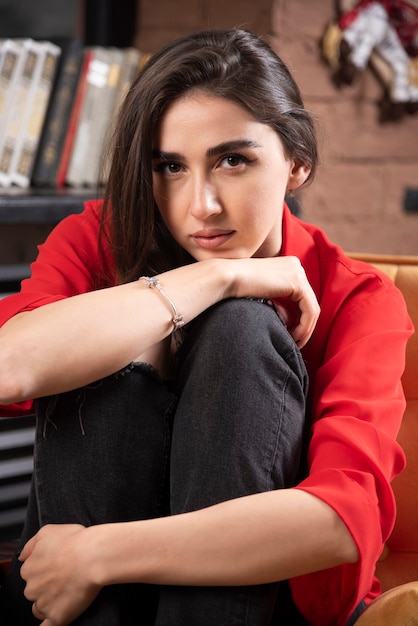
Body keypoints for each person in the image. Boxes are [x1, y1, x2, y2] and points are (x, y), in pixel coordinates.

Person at [0, 28, 413, 626]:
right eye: (170, 166)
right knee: (111, 329)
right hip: (83, 605)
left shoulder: (358, 299)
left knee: (241, 332)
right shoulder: (98, 237)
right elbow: (10, 367)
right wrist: (214, 280)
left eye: (233, 160)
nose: (202, 206)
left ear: (297, 162)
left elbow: (338, 523)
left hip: (254, 603)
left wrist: (100, 553)